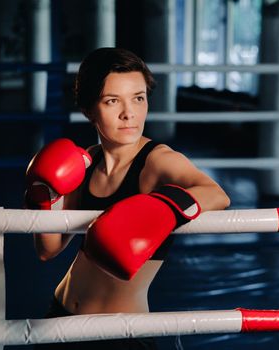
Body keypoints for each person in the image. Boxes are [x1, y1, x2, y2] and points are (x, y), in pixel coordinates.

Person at [26, 47, 230, 349]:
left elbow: (217, 194)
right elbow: (49, 249)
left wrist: (159, 208)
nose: (129, 113)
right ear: (89, 109)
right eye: (112, 101)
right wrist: (43, 197)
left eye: (138, 98)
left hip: (122, 333)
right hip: (60, 318)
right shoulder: (87, 162)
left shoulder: (158, 160)